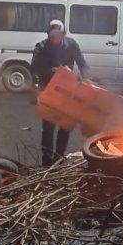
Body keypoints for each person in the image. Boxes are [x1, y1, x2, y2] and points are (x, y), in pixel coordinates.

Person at [31, 19, 91, 166]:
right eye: (52, 37)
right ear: (48, 35)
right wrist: (58, 70)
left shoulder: (71, 45)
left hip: (67, 91)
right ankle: (46, 160)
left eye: (58, 37)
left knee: (65, 126)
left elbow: (83, 64)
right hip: (48, 90)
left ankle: (58, 157)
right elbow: (35, 67)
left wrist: (87, 79)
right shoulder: (41, 47)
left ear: (64, 34)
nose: (55, 40)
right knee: (48, 128)